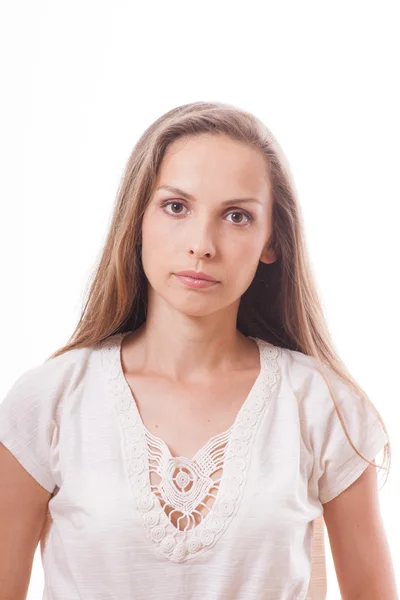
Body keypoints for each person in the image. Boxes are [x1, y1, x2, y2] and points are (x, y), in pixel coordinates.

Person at [0, 101, 397, 600]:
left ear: (271, 240)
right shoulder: (49, 402)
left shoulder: (323, 406)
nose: (202, 244)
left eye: (236, 216)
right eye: (175, 206)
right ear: (137, 218)